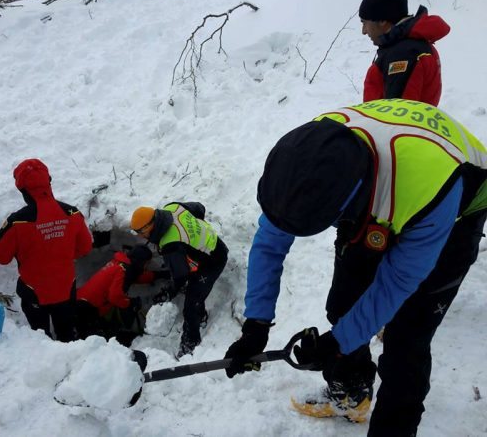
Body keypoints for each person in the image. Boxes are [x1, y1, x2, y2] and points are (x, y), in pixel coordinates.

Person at [224, 98, 487, 436]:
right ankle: (352, 392)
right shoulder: (309, 156)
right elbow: (270, 241)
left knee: (406, 340)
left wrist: (339, 342)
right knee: (343, 302)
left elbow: (397, 283)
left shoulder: (428, 191)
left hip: (454, 204)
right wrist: (256, 324)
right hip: (383, 179)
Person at [0, 159, 92, 342]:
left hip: (33, 292)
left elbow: (1, 257)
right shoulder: (72, 213)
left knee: (39, 338)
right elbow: (85, 247)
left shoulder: (17, 222)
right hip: (66, 288)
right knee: (67, 335)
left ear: (22, 189)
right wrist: (62, 253)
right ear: (49, 181)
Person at [130, 202, 228, 358]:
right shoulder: (172, 208)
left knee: (191, 304)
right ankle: (200, 316)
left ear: (148, 228)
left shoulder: (171, 244)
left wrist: (170, 292)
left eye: (139, 233)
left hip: (213, 261)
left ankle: (191, 343)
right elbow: (199, 208)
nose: (139, 236)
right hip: (213, 242)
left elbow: (180, 276)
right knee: (193, 286)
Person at [360, 0, 450, 106]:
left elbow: (397, 117)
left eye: (364, 23)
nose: (364, 31)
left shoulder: (403, 55)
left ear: (382, 20)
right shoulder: (409, 47)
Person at [76, 244, 164, 346]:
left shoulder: (121, 264)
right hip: (86, 310)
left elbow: (135, 277)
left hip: (83, 303)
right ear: (140, 262)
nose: (146, 266)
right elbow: (115, 297)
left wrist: (158, 275)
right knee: (96, 344)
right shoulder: (122, 270)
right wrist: (130, 303)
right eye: (146, 263)